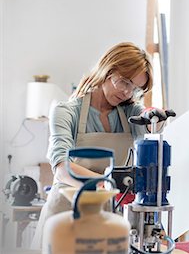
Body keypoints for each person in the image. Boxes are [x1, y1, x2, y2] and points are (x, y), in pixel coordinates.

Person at [31, 42, 161, 249]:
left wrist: (154, 118)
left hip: (107, 213)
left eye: (135, 89)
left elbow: (146, 118)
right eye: (124, 82)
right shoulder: (66, 111)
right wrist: (111, 184)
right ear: (107, 69)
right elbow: (63, 168)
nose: (127, 93)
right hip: (65, 212)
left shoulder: (129, 113)